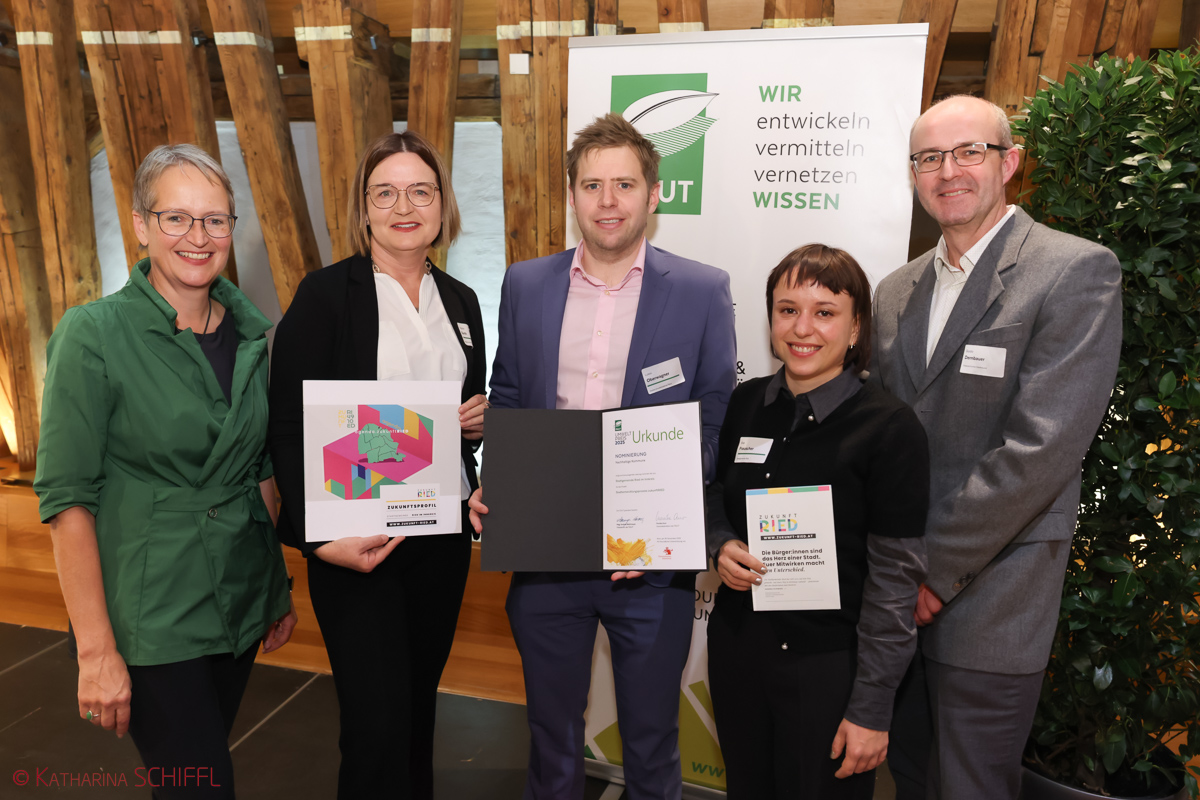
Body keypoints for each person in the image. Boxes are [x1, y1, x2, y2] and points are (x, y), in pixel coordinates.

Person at [468, 113, 737, 800]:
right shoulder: (526, 283)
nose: (608, 201)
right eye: (592, 185)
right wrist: (497, 483)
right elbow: (509, 397)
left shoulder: (702, 290)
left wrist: (661, 520)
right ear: (572, 195)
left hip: (648, 565)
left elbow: (713, 420)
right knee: (550, 737)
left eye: (624, 184)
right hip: (545, 552)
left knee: (650, 740)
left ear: (655, 193)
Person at [872, 95, 1123, 800]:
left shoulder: (1073, 270)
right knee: (910, 776)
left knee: (971, 786)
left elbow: (1040, 449)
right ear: (914, 175)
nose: (948, 171)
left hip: (994, 598)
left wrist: (929, 572)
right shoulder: (895, 291)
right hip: (895, 599)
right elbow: (879, 440)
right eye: (929, 158)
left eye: (968, 152)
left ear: (1009, 162)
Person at [33, 144, 296, 798]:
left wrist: (271, 588)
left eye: (215, 219)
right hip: (152, 614)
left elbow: (259, 466)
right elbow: (67, 501)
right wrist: (96, 652)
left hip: (237, 602)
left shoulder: (250, 334)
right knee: (203, 786)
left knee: (187, 781)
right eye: (176, 217)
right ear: (141, 225)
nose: (197, 236)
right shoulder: (92, 334)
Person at [268, 129, 487, 800]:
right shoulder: (325, 296)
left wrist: (475, 431)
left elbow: (461, 422)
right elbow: (289, 426)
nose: (404, 206)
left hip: (441, 538)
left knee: (417, 716)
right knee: (375, 727)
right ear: (363, 208)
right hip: (358, 541)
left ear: (442, 203)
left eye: (421, 190)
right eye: (385, 192)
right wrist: (317, 540)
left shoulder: (462, 301)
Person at [705, 244, 929, 799]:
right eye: (787, 310)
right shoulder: (745, 403)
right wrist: (720, 543)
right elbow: (714, 493)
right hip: (739, 651)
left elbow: (894, 580)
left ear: (855, 329)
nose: (802, 328)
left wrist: (872, 707)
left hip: (830, 669)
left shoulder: (889, 428)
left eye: (825, 312)